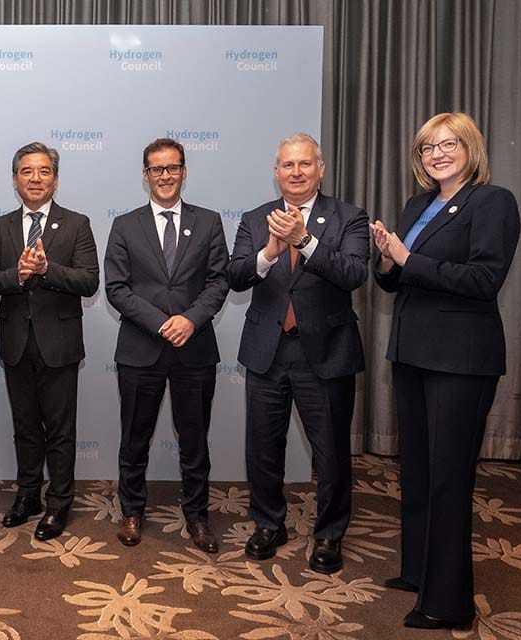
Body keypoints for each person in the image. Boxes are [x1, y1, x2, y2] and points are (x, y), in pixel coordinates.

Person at [370, 112, 520, 630]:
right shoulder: (418, 204)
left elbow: (483, 278)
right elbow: (396, 279)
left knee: (448, 480)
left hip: (461, 360)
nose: (437, 154)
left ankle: (448, 600)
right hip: (412, 354)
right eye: (428, 147)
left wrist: (407, 258)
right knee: (416, 472)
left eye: (448, 144)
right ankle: (418, 573)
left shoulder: (492, 201)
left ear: (470, 147)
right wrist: (387, 261)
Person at [227, 133, 369, 574]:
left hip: (325, 353)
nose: (296, 172)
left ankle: (329, 533)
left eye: (304, 164)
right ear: (276, 173)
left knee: (330, 451)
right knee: (263, 447)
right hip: (267, 351)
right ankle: (269, 523)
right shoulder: (255, 219)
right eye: (287, 165)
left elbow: (353, 274)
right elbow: (234, 276)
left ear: (320, 169)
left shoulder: (349, 217)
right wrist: (269, 252)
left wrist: (306, 241)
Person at [103, 138, 230, 550]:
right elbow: (117, 289)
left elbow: (218, 281)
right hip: (141, 349)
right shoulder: (125, 225)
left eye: (172, 168)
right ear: (145, 175)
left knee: (195, 440)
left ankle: (197, 518)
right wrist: (163, 324)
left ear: (184, 171)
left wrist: (190, 320)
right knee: (134, 438)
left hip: (194, 348)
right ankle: (132, 512)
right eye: (156, 169)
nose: (165, 176)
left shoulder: (209, 221)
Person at [0, 142, 99, 541]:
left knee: (61, 429)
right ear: (15, 180)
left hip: (60, 344)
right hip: (16, 342)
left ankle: (59, 502)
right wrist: (18, 274)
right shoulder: (0, 227)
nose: (35, 178)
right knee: (25, 426)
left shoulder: (77, 223)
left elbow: (88, 280)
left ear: (56, 179)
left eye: (44, 171)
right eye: (27, 171)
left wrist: (47, 270)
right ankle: (27, 495)